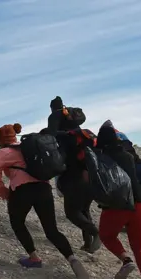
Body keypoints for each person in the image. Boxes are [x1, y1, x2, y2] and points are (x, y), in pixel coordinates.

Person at [0, 124, 92, 279]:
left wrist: (6, 194)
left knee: (18, 223)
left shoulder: (2, 153)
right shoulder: (31, 148)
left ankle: (34, 258)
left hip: (21, 191)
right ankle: (72, 259)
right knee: (51, 230)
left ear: (0, 140)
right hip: (44, 189)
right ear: (15, 137)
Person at [95, 123, 141, 279]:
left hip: (117, 206)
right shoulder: (128, 156)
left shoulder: (99, 157)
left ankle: (125, 259)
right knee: (140, 245)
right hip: (140, 205)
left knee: (106, 236)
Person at [46, 96, 101, 253]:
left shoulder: (56, 117)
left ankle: (95, 233)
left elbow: (51, 134)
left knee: (72, 212)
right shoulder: (77, 133)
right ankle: (88, 243)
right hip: (89, 173)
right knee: (83, 209)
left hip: (72, 174)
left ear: (52, 108)